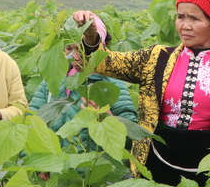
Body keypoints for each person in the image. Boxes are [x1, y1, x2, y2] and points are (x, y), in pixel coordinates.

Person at [73, 0, 210, 187]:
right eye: (180, 16)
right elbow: (107, 63)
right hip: (156, 162)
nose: (185, 25)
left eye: (195, 19)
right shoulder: (157, 58)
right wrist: (91, 38)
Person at [29, 14, 138, 150]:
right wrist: (40, 166)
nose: (75, 57)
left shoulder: (111, 83)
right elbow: (32, 124)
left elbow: (132, 139)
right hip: (55, 167)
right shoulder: (52, 82)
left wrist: (106, 118)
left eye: (83, 49)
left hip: (93, 167)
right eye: (69, 48)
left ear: (99, 47)